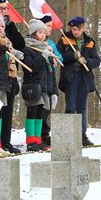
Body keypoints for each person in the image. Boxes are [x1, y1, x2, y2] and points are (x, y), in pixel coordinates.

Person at [0, 0, 25, 153]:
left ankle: (4, 141)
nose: (2, 11)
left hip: (9, 73)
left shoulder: (8, 26)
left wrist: (11, 27)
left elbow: (20, 44)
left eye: (4, 8)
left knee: (6, 110)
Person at [57, 16, 101, 146]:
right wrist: (73, 56)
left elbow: (97, 60)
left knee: (81, 107)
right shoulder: (64, 39)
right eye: (74, 29)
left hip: (84, 77)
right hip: (71, 77)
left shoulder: (90, 41)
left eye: (78, 29)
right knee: (70, 106)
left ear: (83, 28)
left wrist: (86, 61)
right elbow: (59, 56)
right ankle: (68, 135)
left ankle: (82, 135)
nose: (76, 31)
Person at [21, 19, 53, 152]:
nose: (43, 35)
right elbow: (30, 68)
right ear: (34, 33)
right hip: (33, 85)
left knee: (41, 114)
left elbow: (49, 71)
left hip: (44, 86)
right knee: (32, 112)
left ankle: (38, 139)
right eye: (40, 32)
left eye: (44, 32)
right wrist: (43, 56)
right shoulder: (28, 48)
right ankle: (30, 141)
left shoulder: (45, 48)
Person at [38, 14, 62, 146]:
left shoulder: (50, 43)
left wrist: (55, 91)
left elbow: (59, 58)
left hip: (49, 82)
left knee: (47, 111)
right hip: (38, 83)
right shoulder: (33, 43)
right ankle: (37, 137)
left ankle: (45, 134)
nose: (50, 28)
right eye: (48, 26)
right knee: (39, 111)